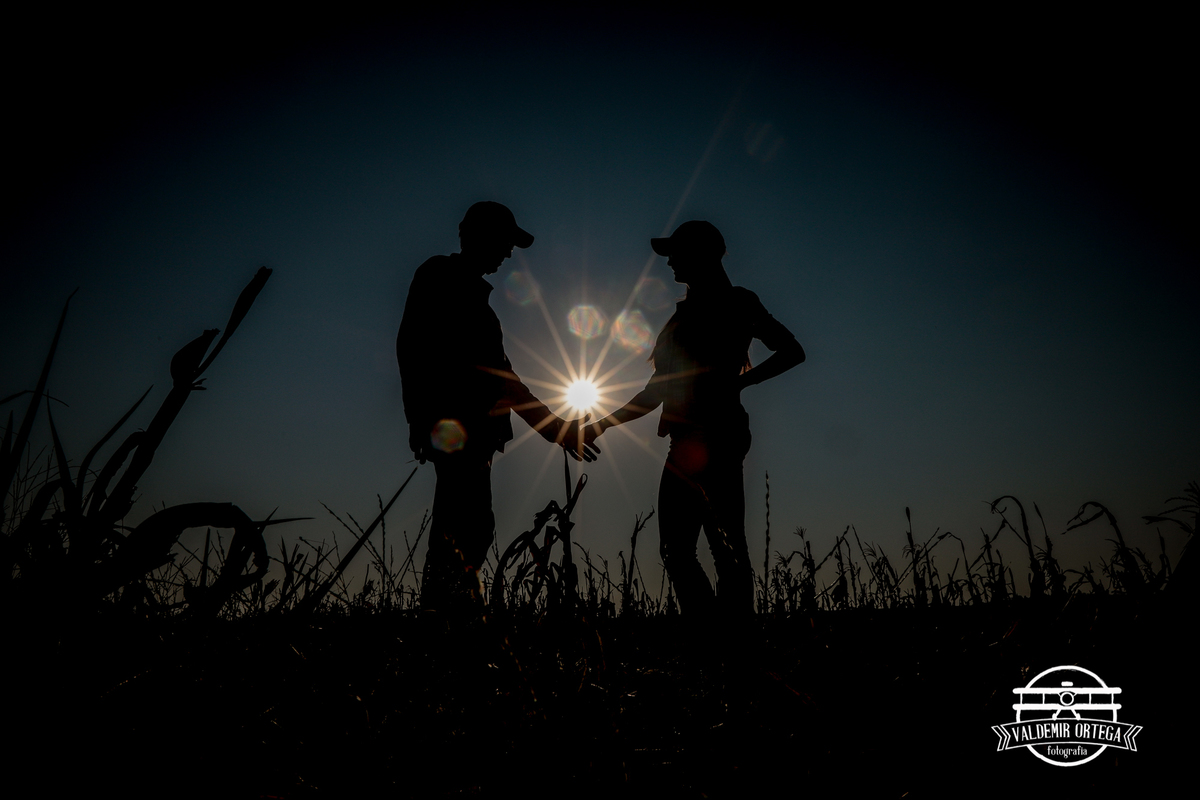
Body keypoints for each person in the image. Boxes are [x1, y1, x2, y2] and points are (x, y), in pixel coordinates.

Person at [575, 220, 804, 621]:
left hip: (718, 434)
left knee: (719, 547)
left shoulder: (737, 302)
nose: (669, 263)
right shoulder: (685, 314)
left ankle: (727, 639)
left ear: (701, 255)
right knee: (686, 549)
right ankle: (715, 635)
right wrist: (602, 425)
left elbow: (792, 351)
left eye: (676, 254)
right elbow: (657, 389)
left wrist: (741, 382)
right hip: (686, 440)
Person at [397, 201, 596, 614]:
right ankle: (443, 614)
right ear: (480, 236)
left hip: (473, 432)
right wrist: (419, 417)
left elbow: (505, 380)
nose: (509, 252)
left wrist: (557, 429)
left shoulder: (478, 303)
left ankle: (453, 612)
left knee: (471, 527)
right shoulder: (441, 277)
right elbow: (413, 348)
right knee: (462, 527)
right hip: (456, 428)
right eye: (505, 242)